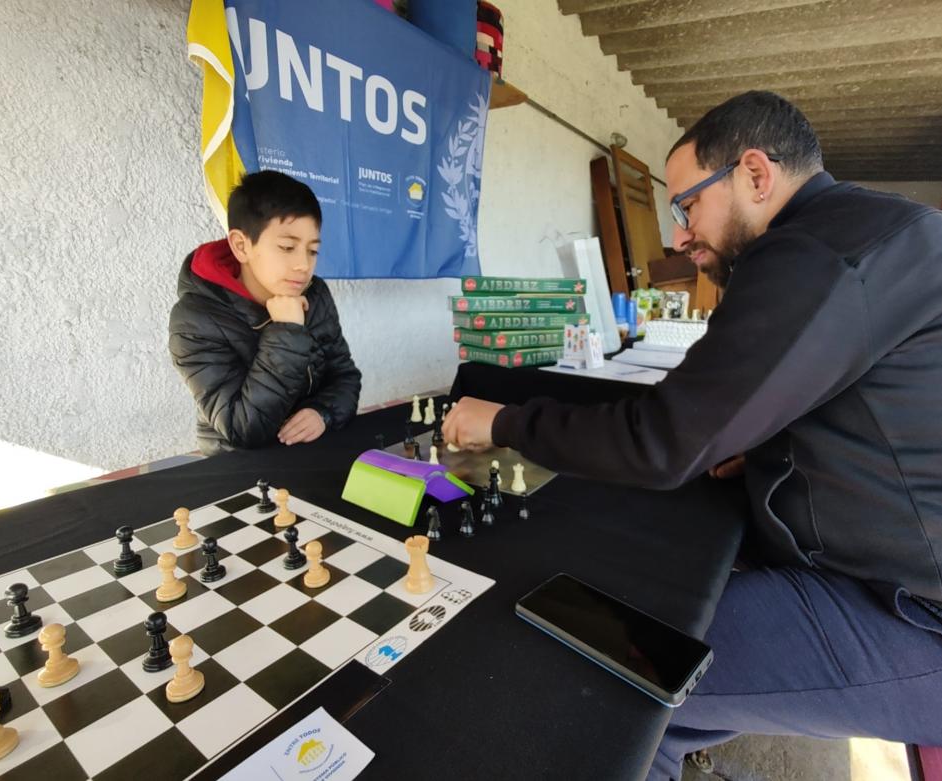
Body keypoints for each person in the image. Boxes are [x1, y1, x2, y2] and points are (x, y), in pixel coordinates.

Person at [443, 91, 942, 779]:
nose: (678, 235)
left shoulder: (813, 252)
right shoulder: (873, 229)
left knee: (626, 677)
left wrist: (499, 420)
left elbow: (662, 440)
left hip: (914, 616)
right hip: (895, 575)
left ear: (755, 175)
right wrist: (768, 449)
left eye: (687, 205)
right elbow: (868, 408)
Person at [169, 170, 361, 456]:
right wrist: (287, 330)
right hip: (239, 466)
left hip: (307, 451)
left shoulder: (314, 293)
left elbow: (345, 376)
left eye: (312, 251)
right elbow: (243, 428)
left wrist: (322, 413)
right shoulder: (194, 319)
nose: (303, 265)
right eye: (287, 247)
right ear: (241, 245)